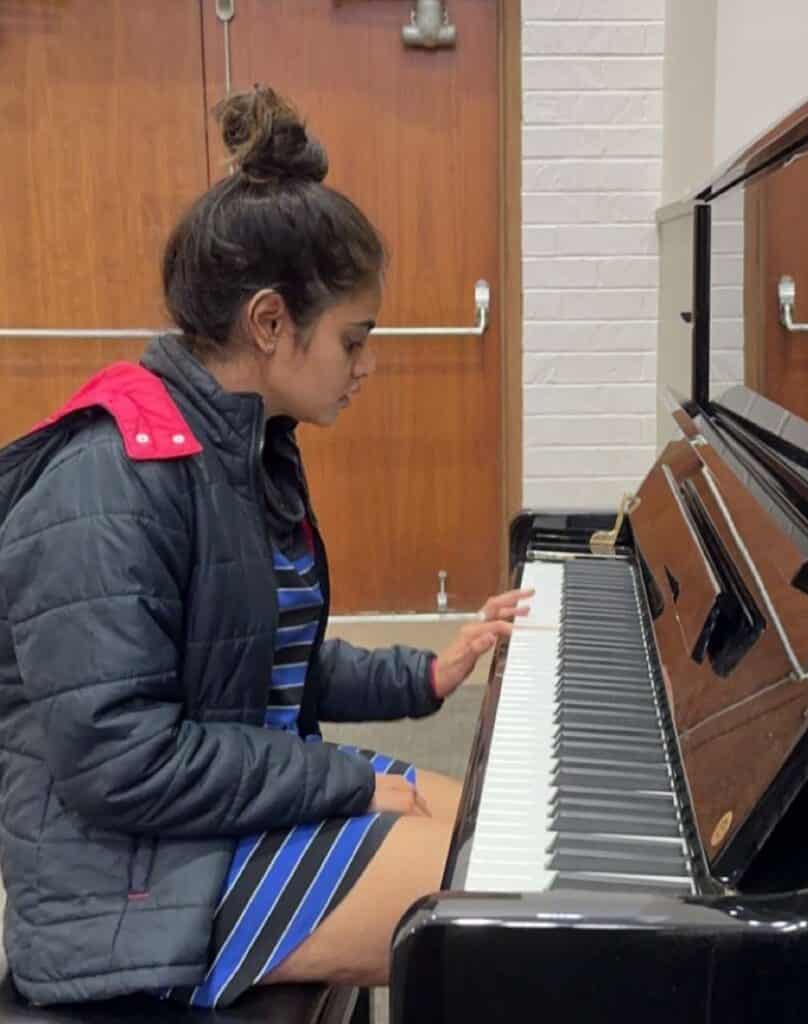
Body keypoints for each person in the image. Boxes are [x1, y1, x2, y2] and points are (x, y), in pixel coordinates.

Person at [0, 85, 529, 1008]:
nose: (367, 365)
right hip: (133, 887)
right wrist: (338, 779)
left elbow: (253, 661)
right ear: (271, 322)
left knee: (508, 834)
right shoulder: (109, 479)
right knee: (511, 906)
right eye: (354, 340)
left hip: (207, 823)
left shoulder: (234, 445)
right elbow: (121, 761)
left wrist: (424, 676)